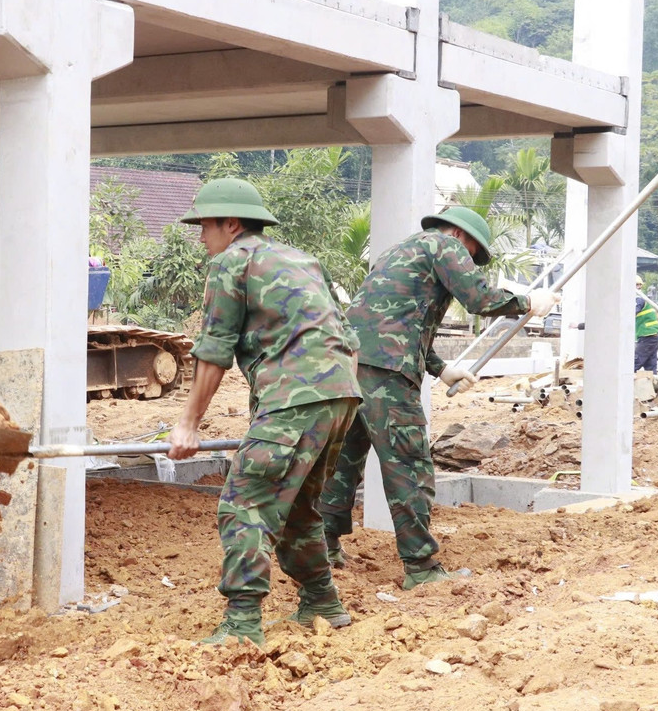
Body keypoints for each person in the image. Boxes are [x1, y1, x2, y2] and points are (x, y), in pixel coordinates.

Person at [315, 207, 557, 587]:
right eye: (474, 255)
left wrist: (441, 368)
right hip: (388, 376)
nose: (471, 262)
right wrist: (528, 302)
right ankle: (421, 568)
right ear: (464, 238)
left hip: (349, 365)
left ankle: (323, 550)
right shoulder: (447, 245)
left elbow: (395, 321)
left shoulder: (396, 253)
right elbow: (479, 298)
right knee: (409, 467)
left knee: (342, 461)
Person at [167, 178, 360, 648]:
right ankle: (322, 601)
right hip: (340, 397)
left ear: (230, 224)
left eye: (205, 226)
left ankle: (241, 623)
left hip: (295, 400)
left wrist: (188, 422)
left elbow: (214, 350)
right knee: (295, 506)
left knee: (245, 504)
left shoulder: (232, 261)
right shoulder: (302, 260)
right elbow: (348, 340)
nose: (201, 237)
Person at [634, 274, 658, 373]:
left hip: (648, 336)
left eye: (638, 285)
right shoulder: (641, 298)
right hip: (653, 336)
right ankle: (653, 387)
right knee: (650, 367)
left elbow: (629, 315)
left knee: (632, 363)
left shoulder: (638, 300)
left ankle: (620, 386)